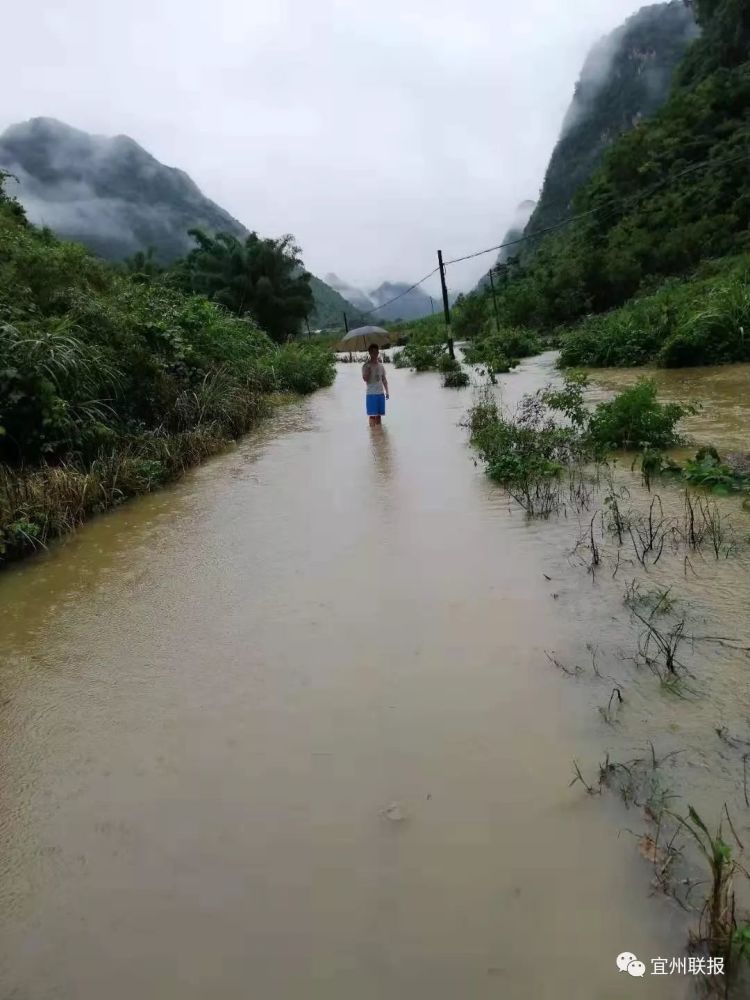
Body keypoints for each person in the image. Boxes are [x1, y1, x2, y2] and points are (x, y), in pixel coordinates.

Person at [362, 344, 389, 425]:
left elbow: (384, 379)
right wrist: (368, 372)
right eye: (373, 352)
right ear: (369, 353)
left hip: (380, 393)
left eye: (376, 352)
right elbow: (365, 379)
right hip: (371, 394)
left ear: (378, 352)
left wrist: (387, 391)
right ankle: (373, 434)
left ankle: (378, 435)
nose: (375, 354)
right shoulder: (366, 366)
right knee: (372, 416)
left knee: (379, 416)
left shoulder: (381, 365)